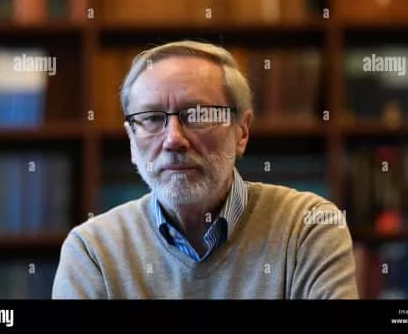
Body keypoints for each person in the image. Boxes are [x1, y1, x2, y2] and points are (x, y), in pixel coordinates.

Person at [52, 40, 359, 299]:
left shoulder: (307, 228)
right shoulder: (92, 251)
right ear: (132, 139)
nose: (173, 139)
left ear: (241, 132)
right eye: (152, 118)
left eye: (198, 114)